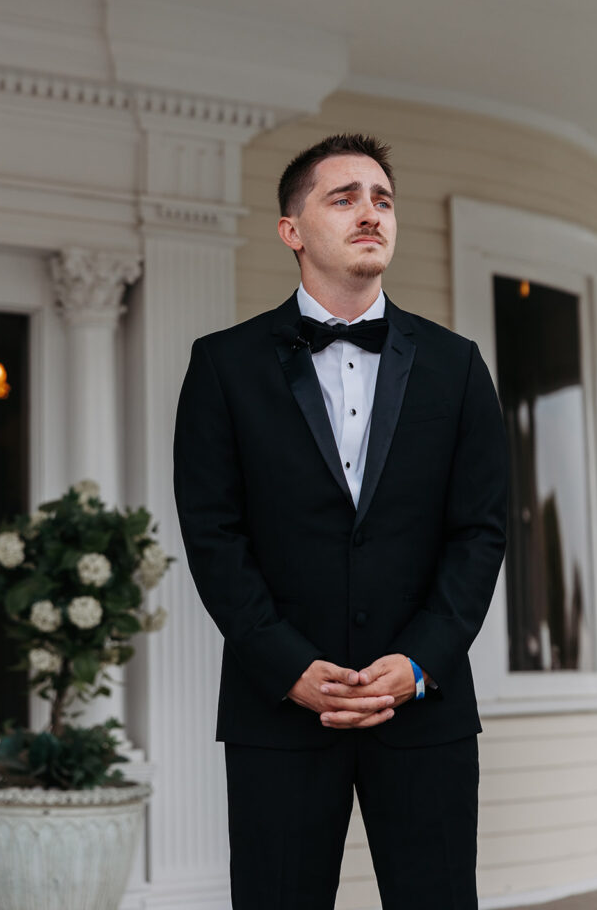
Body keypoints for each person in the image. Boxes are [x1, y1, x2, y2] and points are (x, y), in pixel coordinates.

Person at [173, 133, 509, 910]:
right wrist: (285, 665)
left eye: (382, 199)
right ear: (291, 229)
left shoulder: (458, 366)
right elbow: (212, 533)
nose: (370, 212)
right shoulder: (222, 364)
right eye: (344, 197)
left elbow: (480, 531)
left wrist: (419, 660)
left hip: (424, 709)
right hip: (278, 709)